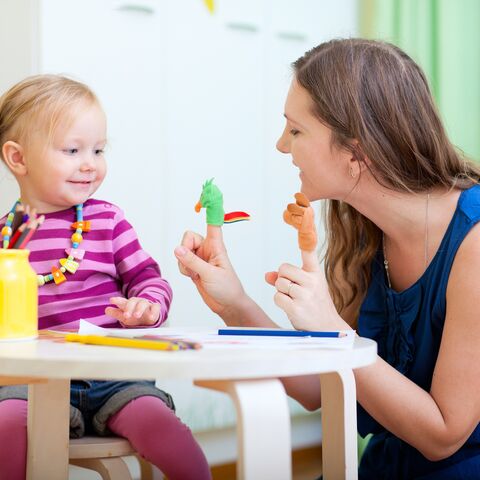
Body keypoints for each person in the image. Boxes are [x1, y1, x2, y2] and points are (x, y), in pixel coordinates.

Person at [175, 38, 480, 479]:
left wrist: (333, 329)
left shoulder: (473, 244)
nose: (282, 145)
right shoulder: (363, 228)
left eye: (296, 131)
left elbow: (443, 435)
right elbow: (319, 387)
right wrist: (233, 301)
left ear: (357, 152)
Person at [0, 75, 211, 480]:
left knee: (164, 429)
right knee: (7, 424)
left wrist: (147, 307)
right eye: (73, 150)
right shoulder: (7, 238)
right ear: (18, 159)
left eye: (98, 149)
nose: (89, 163)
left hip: (115, 376)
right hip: (35, 382)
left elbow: (149, 278)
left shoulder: (106, 220)